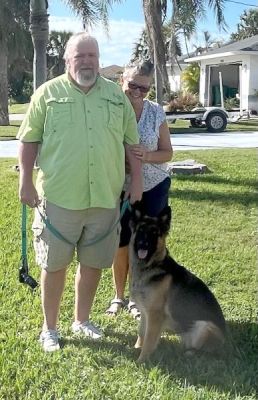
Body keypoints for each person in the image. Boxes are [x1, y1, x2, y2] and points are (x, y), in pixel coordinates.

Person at [17, 32, 142, 352]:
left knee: (93, 264)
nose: (87, 61)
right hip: (59, 198)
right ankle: (50, 328)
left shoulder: (116, 97)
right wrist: (26, 181)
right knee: (53, 265)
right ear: (67, 59)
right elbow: (28, 140)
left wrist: (137, 180)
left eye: (92, 56)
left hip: (104, 198)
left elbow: (132, 144)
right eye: (80, 55)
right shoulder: (46, 94)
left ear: (99, 61)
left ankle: (81, 320)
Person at [106, 60, 173, 318]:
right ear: (123, 79)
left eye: (144, 89)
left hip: (154, 185)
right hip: (118, 185)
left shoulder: (156, 112)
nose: (137, 92)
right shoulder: (110, 109)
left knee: (142, 242)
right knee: (120, 241)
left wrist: (145, 155)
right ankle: (118, 296)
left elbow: (167, 153)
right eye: (133, 85)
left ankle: (137, 298)